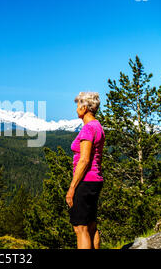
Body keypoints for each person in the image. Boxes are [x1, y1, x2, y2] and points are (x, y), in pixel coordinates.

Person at [66, 91, 105, 249]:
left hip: (85, 181)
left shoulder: (88, 129)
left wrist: (72, 187)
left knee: (80, 228)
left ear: (85, 107)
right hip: (95, 180)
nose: (76, 109)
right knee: (91, 225)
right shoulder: (98, 127)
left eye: (78, 105)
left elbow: (84, 160)